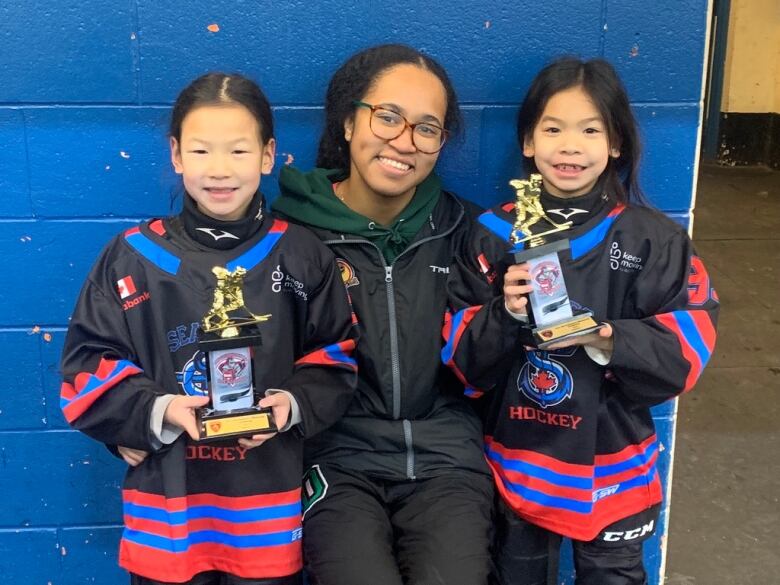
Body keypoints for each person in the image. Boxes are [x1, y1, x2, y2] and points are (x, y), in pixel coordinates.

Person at [59, 72, 358, 585]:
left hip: (264, 506)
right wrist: (151, 413)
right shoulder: (132, 256)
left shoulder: (303, 253)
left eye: (238, 152)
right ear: (176, 155)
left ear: (268, 156)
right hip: (169, 513)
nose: (219, 170)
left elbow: (339, 356)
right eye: (200, 151)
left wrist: (289, 407)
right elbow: (86, 366)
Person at [443, 57, 719, 585]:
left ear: (615, 144)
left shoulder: (652, 238)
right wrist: (505, 314)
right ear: (527, 141)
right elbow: (458, 356)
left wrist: (608, 337)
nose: (570, 145)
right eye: (553, 128)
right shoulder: (490, 233)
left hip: (615, 462)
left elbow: (690, 341)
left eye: (590, 130)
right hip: (516, 460)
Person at [271, 44, 493, 585]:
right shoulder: (286, 236)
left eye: (427, 128)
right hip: (336, 457)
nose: (403, 141)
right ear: (349, 121)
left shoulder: (468, 230)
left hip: (447, 458)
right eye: (388, 116)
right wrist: (139, 421)